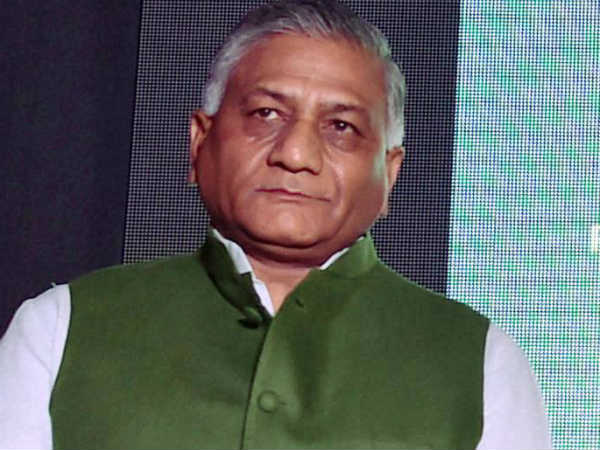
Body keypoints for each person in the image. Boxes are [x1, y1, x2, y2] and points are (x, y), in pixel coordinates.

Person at [0, 1, 551, 448]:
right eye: (266, 114)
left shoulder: (482, 364)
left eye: (341, 127)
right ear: (200, 142)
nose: (295, 154)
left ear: (389, 173)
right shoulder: (59, 330)